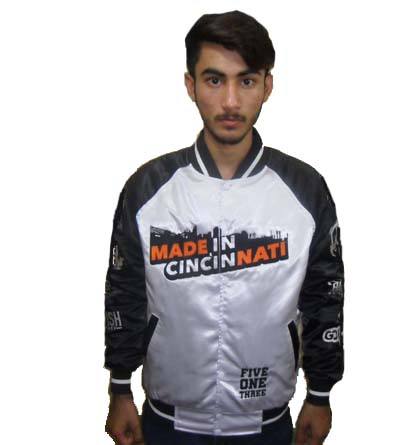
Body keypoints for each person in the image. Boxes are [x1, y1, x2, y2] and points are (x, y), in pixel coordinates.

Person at [104, 10, 345, 445]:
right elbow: (124, 292)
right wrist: (120, 387)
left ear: (267, 86)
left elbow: (325, 297)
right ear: (190, 85)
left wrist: (321, 393)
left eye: (246, 81)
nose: (231, 102)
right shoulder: (148, 188)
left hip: (267, 424)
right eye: (214, 80)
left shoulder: (306, 190)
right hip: (166, 423)